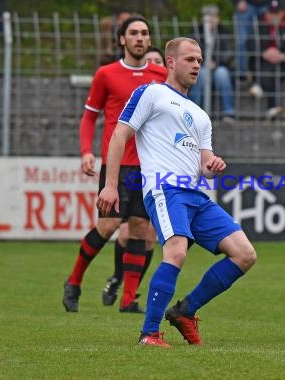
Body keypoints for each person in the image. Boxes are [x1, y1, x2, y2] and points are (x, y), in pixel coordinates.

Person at [97, 37, 257, 348]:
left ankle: (185, 312)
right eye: (190, 59)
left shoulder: (200, 114)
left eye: (199, 59)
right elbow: (120, 135)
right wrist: (111, 184)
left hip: (196, 194)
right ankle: (149, 333)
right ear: (171, 62)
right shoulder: (151, 93)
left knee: (245, 254)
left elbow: (204, 165)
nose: (197, 64)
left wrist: (213, 164)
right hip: (165, 188)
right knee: (177, 251)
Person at [62, 15, 167, 314]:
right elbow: (89, 116)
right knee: (108, 226)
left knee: (139, 227)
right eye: (133, 33)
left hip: (148, 166)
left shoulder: (160, 75)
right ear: (122, 39)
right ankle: (74, 281)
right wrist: (86, 151)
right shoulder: (106, 74)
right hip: (117, 164)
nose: (139, 38)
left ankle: (128, 299)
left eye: (144, 33)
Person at [247, 0, 285, 120]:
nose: (274, 16)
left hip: (281, 65)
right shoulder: (258, 24)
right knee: (272, 67)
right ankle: (274, 107)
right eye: (271, 12)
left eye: (277, 13)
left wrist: (282, 56)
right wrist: (264, 53)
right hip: (259, 64)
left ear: (282, 13)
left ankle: (259, 86)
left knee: (274, 67)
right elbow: (250, 44)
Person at [188, 5, 236, 124]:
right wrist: (204, 62)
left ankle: (228, 112)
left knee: (222, 74)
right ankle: (195, 112)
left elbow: (229, 53)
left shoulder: (224, 32)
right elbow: (190, 52)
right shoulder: (196, 32)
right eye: (207, 17)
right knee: (202, 74)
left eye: (213, 17)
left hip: (220, 66)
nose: (210, 20)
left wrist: (216, 62)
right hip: (201, 66)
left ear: (218, 18)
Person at [232, 0, 271, 80]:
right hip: (246, 4)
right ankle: (242, 74)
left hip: (268, 4)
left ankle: (266, 74)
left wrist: (277, 3)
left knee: (267, 40)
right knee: (242, 40)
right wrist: (238, 1)